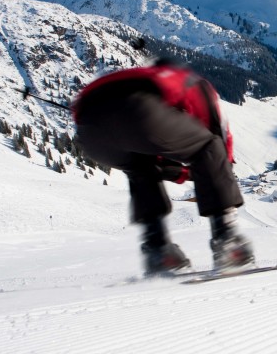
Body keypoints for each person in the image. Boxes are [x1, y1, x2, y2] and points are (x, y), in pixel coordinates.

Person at [71, 55, 254, 275]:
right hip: (138, 110)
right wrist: (221, 170)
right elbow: (215, 136)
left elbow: (153, 147)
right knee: (209, 146)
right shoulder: (190, 80)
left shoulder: (139, 77)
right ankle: (228, 241)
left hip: (89, 133)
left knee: (141, 168)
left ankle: (159, 253)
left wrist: (183, 172)